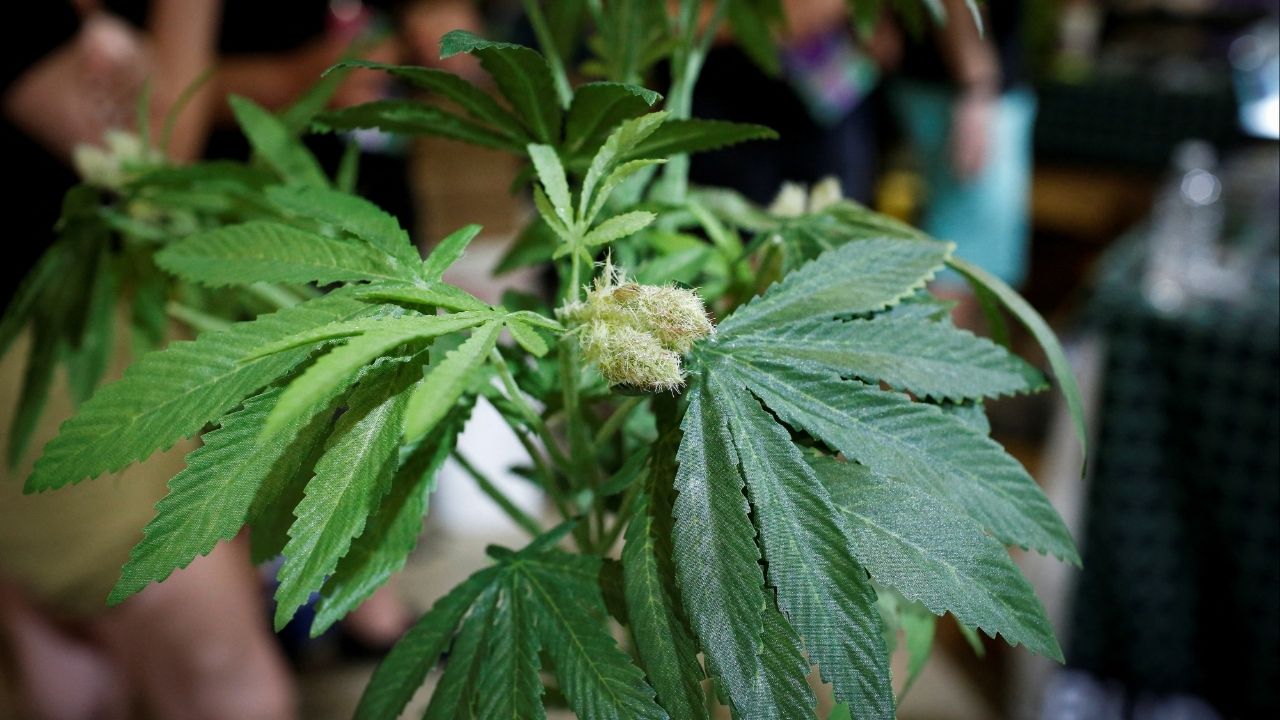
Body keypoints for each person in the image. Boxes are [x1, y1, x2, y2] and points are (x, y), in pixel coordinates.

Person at [890, 0, 1036, 329]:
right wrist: (976, 87)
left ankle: (953, 371)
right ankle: (918, 372)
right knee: (959, 259)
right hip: (962, 90)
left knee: (970, 258)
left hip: (961, 87)